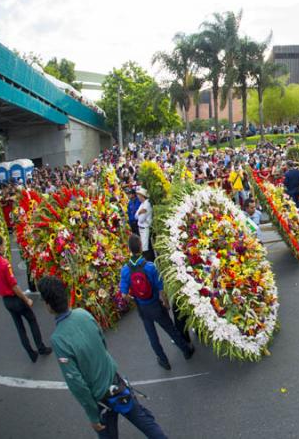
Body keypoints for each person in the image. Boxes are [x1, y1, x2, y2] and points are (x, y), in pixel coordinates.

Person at [36, 276, 169, 438]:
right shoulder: (83, 314)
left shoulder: (58, 339)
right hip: (116, 383)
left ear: (48, 305)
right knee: (148, 424)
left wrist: (92, 415)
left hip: (101, 399)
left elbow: (76, 383)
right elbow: (102, 343)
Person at [119, 234, 194, 370]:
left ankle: (163, 360)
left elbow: (123, 294)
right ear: (141, 247)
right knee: (170, 329)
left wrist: (134, 298)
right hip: (155, 304)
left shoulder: (125, 270)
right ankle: (186, 351)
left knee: (152, 336)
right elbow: (160, 289)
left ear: (129, 249)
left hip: (142, 308)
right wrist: (165, 303)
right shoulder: (149, 266)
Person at [0, 234, 51, 362]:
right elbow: (14, 286)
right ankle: (41, 347)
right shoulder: (5, 263)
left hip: (6, 301)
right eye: (4, 243)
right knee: (32, 320)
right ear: (0, 246)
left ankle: (31, 353)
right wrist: (26, 299)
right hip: (15, 299)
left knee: (20, 327)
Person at [134, 187, 154, 261]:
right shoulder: (142, 204)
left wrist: (138, 214)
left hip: (145, 229)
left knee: (146, 249)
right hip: (142, 229)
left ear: (142, 196)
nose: (138, 197)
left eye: (139, 195)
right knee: (144, 247)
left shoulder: (146, 205)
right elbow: (135, 216)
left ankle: (149, 262)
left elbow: (141, 219)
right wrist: (139, 213)